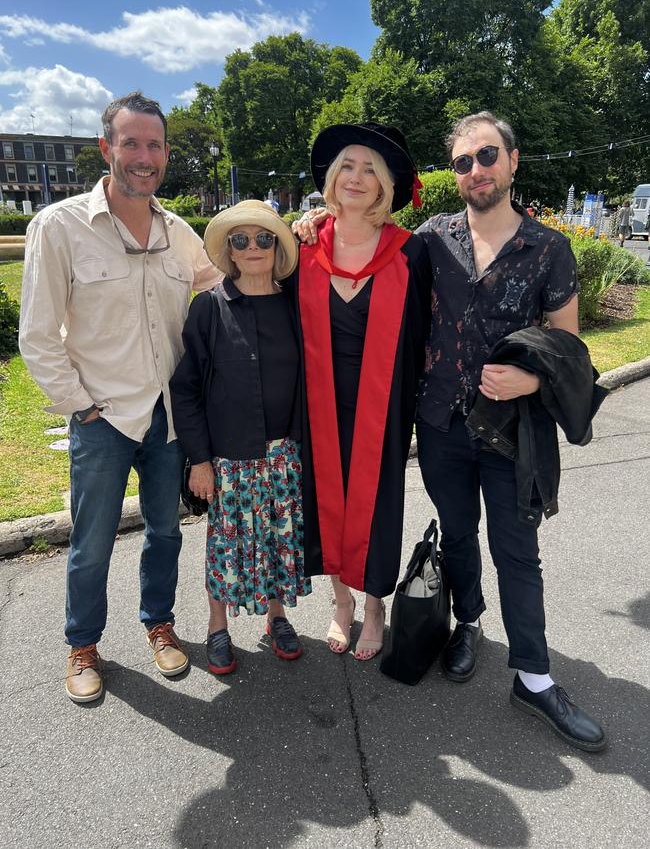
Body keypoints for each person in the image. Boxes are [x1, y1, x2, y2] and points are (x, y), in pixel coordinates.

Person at [19, 91, 221, 703]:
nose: (144, 155)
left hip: (166, 417)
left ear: (165, 155)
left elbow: (231, 291)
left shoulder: (180, 234)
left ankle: (158, 625)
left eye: (154, 145)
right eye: (130, 143)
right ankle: (83, 643)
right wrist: (81, 405)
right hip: (102, 416)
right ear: (106, 148)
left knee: (165, 531)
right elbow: (37, 335)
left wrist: (299, 240)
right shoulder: (60, 226)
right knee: (92, 540)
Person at [415, 111, 606, 751]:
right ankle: (467, 621)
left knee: (518, 553)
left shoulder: (548, 248)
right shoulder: (432, 238)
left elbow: (569, 350)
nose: (476, 170)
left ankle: (533, 675)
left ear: (513, 160)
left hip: (510, 430)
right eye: (464, 161)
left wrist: (532, 383)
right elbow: (365, 252)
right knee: (460, 535)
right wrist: (311, 224)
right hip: (440, 423)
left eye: (487, 155)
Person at [289, 123, 431, 660]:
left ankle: (375, 606)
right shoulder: (301, 246)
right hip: (316, 403)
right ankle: (341, 602)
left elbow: (425, 331)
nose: (357, 176)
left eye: (370, 168)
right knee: (323, 499)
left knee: (377, 503)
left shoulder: (409, 253)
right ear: (331, 178)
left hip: (384, 406)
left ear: (385, 186)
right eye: (347, 165)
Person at [169, 201, 309, 675]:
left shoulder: (296, 305)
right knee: (225, 547)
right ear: (228, 250)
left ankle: (277, 618)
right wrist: (200, 461)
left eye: (264, 238)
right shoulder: (208, 308)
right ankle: (217, 628)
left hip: (283, 454)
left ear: (278, 247)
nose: (253, 248)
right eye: (241, 240)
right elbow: (185, 389)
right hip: (229, 458)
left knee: (276, 541)